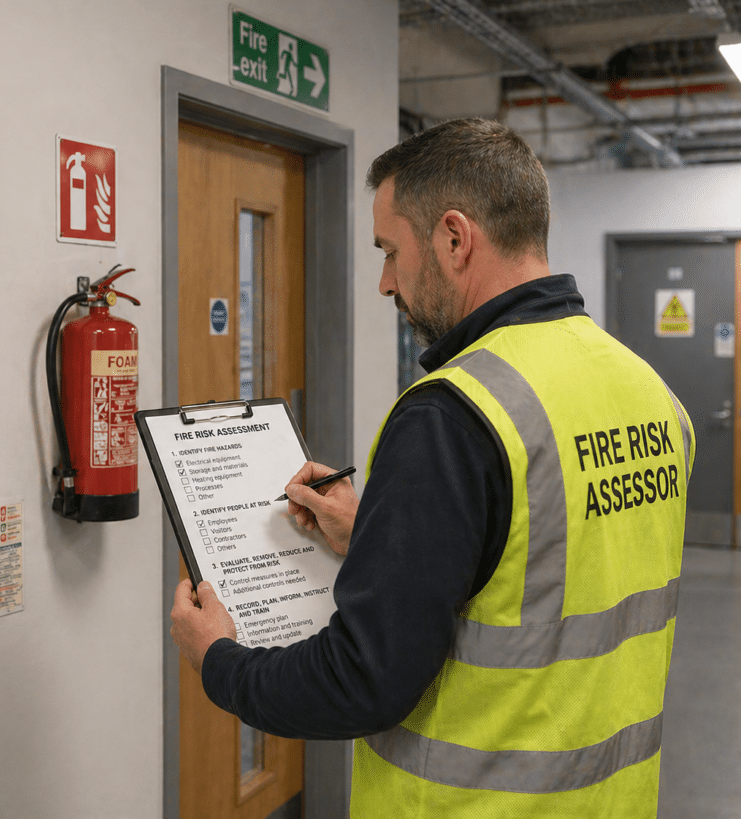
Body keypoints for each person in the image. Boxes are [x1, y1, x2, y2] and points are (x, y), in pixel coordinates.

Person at [171, 117, 694, 817]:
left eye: (391, 250)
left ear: (454, 238)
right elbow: (545, 573)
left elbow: (361, 679)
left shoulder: (451, 415)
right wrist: (381, 538)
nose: (386, 282)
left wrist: (220, 662)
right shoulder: (650, 392)